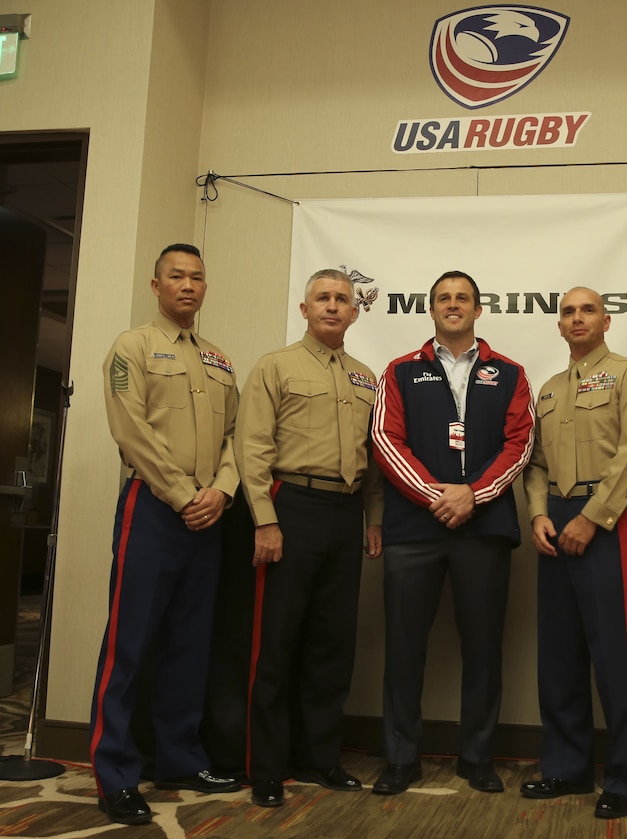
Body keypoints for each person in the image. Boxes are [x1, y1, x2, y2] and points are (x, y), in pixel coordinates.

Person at [91, 244, 241, 826]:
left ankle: (180, 757)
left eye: (197, 277)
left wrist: (222, 492)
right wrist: (183, 495)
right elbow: (131, 431)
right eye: (176, 276)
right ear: (156, 285)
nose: (188, 285)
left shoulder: (221, 360)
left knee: (189, 643)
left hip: (209, 513)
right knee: (129, 645)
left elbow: (235, 437)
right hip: (154, 510)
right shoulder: (132, 348)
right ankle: (115, 773)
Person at [371, 270, 534, 795]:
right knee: (403, 646)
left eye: (463, 297)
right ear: (432, 309)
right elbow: (384, 438)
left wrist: (474, 495)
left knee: (484, 646)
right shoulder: (399, 371)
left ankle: (478, 756)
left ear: (478, 309)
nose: (453, 304)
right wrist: (436, 494)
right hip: (412, 530)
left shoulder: (509, 373)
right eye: (444, 298)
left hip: (483, 530)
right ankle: (400, 758)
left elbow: (520, 444)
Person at [236, 268, 383, 809]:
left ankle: (320, 757)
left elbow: (374, 459)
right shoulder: (275, 366)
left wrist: (373, 519)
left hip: (345, 513)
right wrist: (264, 519)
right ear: (304, 309)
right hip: (289, 506)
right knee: (275, 643)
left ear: (354, 311)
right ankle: (267, 766)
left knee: (331, 644)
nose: (332, 306)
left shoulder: (368, 378)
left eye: (342, 299)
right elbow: (251, 447)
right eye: (322, 298)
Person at [519, 287, 627, 819]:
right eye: (567, 312)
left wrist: (591, 517)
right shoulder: (550, 391)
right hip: (555, 523)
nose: (576, 318)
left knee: (616, 654)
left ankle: (624, 777)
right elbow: (534, 464)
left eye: (587, 310)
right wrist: (538, 513)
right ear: (559, 326)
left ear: (606, 320)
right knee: (558, 654)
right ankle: (566, 766)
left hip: (609, 522)